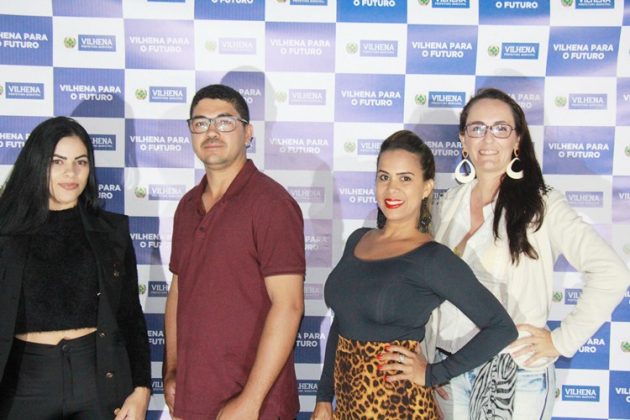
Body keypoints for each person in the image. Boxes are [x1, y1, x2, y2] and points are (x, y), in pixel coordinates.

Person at [428, 87, 630, 420]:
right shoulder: (448, 204)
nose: (488, 138)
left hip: (515, 374)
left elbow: (613, 273)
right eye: (477, 128)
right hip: (449, 372)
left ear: (517, 140)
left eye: (500, 128)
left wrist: (562, 341)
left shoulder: (542, 204)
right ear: (463, 140)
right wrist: (432, 366)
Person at [311, 130, 518, 419]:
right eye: (384, 177)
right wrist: (324, 396)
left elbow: (502, 327)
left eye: (405, 179)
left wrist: (433, 374)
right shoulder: (358, 239)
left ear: (426, 187)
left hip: (401, 407)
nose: (391, 189)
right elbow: (343, 319)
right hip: (347, 408)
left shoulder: (432, 258)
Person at [163, 84, 305, 420]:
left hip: (257, 407)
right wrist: (173, 369)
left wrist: (250, 402)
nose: (211, 132)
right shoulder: (187, 206)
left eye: (224, 122)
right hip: (194, 400)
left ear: (247, 132)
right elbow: (179, 291)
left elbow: (289, 305)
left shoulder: (272, 204)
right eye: (201, 123)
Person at [0, 116, 151, 419]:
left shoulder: (112, 232)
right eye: (57, 162)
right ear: (37, 164)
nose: (71, 173)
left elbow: (130, 315)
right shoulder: (5, 232)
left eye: (80, 162)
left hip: (97, 380)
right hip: (23, 384)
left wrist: (142, 388)